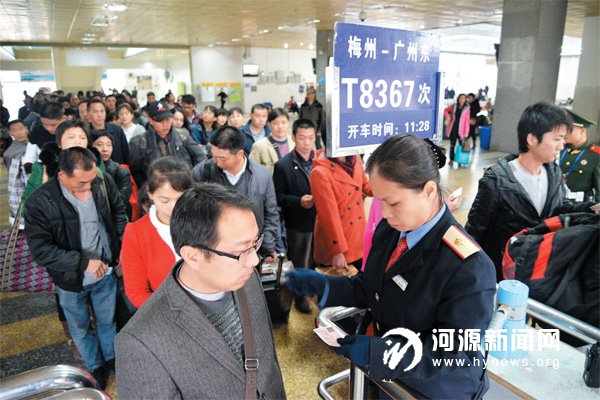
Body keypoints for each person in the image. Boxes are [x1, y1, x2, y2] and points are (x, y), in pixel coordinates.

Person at [288, 135, 496, 399]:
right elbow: (375, 287)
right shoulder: (391, 230)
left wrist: (382, 353)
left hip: (431, 390)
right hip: (390, 377)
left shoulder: (468, 266)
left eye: (393, 202)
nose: (384, 213)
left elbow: (458, 353)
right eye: (379, 201)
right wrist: (326, 285)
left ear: (429, 191)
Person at [115, 183, 286, 399]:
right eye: (241, 250)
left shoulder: (246, 277)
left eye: (255, 243)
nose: (254, 260)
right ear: (193, 256)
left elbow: (267, 360)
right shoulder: (140, 344)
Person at [24, 147, 128, 390]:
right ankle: (95, 365)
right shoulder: (40, 203)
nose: (89, 186)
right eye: (82, 182)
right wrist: (83, 263)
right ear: (62, 175)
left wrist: (121, 246)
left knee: (108, 321)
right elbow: (41, 250)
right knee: (80, 327)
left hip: (105, 274)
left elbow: (119, 213)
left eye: (92, 180)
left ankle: (111, 359)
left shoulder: (101, 181)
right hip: (70, 280)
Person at [466, 102, 595, 280]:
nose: (561, 146)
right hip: (502, 273)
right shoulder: (496, 181)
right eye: (557, 139)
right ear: (532, 139)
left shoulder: (554, 173)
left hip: (539, 269)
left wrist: (591, 208)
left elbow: (560, 207)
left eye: (563, 139)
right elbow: (475, 232)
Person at [192, 126, 282, 262]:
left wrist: (268, 248)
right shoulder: (202, 172)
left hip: (251, 250)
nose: (217, 162)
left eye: (222, 158)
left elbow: (271, 214)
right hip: (215, 251)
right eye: (214, 156)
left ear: (239, 154)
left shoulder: (262, 175)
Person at [121, 157, 193, 308]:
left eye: (180, 199)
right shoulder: (137, 234)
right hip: (165, 311)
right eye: (165, 200)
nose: (173, 207)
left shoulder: (205, 220)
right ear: (150, 194)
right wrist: (168, 313)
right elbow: (136, 291)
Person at [273, 119, 317, 313]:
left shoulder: (321, 160)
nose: (306, 142)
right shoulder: (283, 165)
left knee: (316, 259)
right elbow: (278, 197)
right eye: (302, 138)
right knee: (300, 261)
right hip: (297, 223)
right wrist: (299, 201)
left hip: (320, 221)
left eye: (311, 138)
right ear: (293, 137)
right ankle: (301, 297)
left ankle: (314, 288)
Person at [310, 146, 371, 270]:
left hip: (357, 237)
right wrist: (337, 251)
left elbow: (367, 186)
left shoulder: (355, 160)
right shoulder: (320, 172)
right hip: (338, 242)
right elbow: (328, 216)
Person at [129, 101, 206, 187]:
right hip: (158, 189)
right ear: (151, 121)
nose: (165, 125)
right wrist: (148, 188)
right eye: (160, 121)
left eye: (168, 120)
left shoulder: (182, 135)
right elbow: (135, 171)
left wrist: (193, 180)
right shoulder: (139, 142)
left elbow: (199, 156)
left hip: (184, 186)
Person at [559, 109, 599, 202]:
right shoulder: (559, 149)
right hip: (554, 204)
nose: (564, 133)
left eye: (569, 129)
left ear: (582, 131)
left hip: (578, 206)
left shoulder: (595, 156)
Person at [91, 130, 133, 218]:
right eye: (99, 145)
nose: (105, 149)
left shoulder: (121, 172)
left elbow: (120, 203)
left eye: (108, 145)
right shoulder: (85, 170)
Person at [249, 107, 295, 173]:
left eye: (283, 122)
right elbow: (252, 170)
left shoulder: (295, 142)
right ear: (269, 125)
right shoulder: (259, 145)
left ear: (288, 123)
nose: (280, 126)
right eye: (275, 123)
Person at [87, 98, 130, 164]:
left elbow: (126, 154)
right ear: (88, 114)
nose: (99, 115)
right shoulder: (85, 133)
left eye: (102, 111)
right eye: (95, 112)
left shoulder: (117, 130)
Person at [4, 120, 29, 224]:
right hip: (22, 187)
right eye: (14, 131)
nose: (19, 133)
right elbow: (13, 177)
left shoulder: (35, 144)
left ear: (26, 129)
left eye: (21, 129)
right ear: (10, 133)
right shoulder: (9, 153)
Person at [443, 93, 470, 166]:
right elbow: (445, 110)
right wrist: (447, 117)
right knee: (452, 145)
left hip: (462, 131)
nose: (462, 100)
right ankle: (451, 159)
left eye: (463, 98)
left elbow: (467, 121)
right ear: (458, 99)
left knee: (462, 146)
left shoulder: (467, 108)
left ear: (465, 100)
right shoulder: (454, 106)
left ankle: (460, 160)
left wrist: (466, 132)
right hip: (453, 129)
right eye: (460, 98)